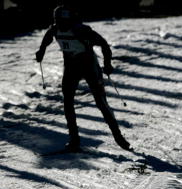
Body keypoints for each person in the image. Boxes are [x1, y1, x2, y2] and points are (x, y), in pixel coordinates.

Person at [35, 5, 132, 152]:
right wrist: (41, 51)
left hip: (89, 66)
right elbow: (47, 38)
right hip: (71, 67)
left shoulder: (81, 30)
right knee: (67, 102)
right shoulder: (55, 29)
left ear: (69, 19)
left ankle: (119, 138)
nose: (59, 23)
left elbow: (104, 44)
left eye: (62, 20)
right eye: (57, 20)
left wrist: (107, 64)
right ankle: (74, 140)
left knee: (101, 102)